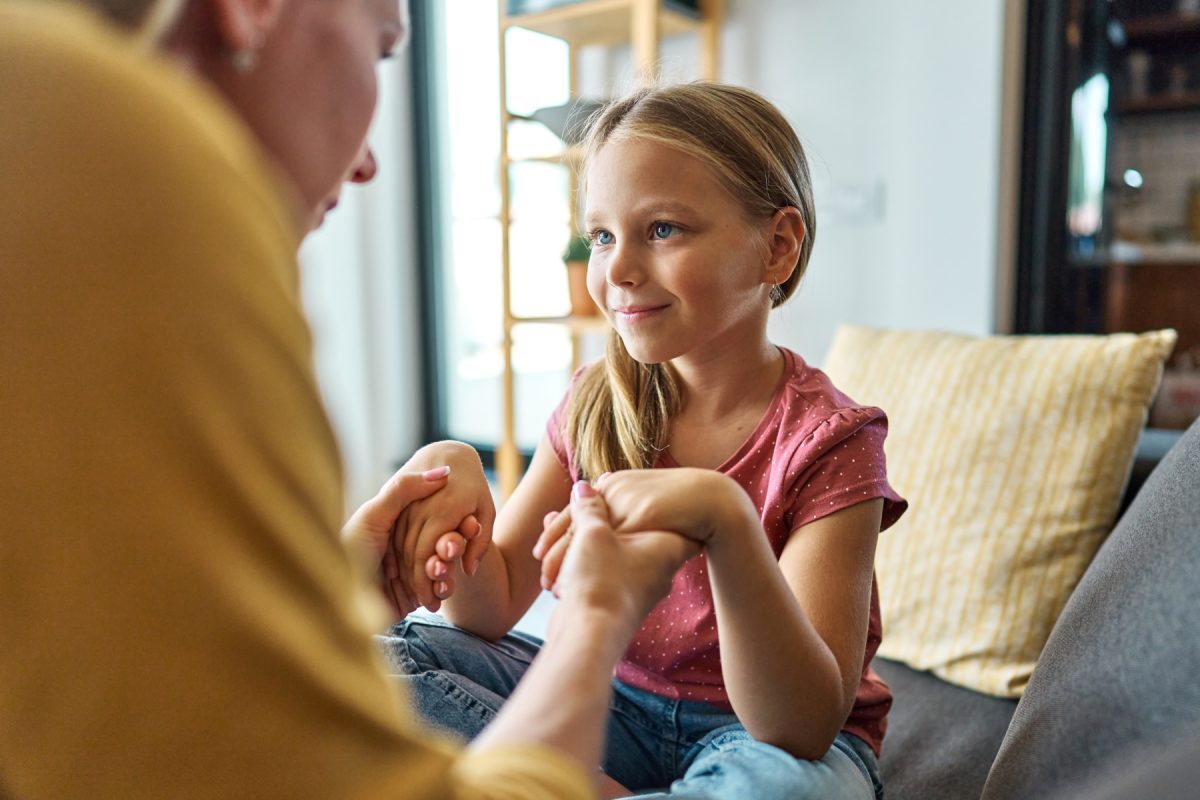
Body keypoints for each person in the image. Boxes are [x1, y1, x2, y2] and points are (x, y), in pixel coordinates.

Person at [0, 0, 698, 797]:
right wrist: (592, 623)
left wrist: (328, 589)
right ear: (252, 9)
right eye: (384, 48)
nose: (367, 162)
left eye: (666, 229)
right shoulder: (112, 148)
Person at [383, 82, 908, 799]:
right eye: (602, 236)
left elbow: (802, 724)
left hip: (760, 738)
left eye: (662, 229)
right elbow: (491, 606)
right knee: (382, 662)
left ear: (777, 247)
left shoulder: (831, 440)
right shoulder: (596, 401)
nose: (618, 270)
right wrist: (456, 493)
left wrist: (725, 519)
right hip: (616, 707)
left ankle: (552, 783)